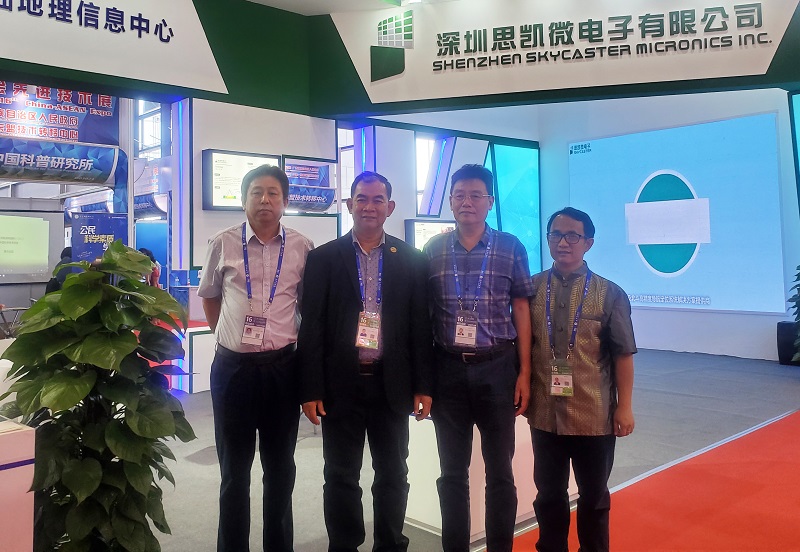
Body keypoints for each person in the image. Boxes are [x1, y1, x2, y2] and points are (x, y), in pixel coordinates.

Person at [297, 171, 434, 552]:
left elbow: (420, 327)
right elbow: (312, 327)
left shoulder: (412, 259)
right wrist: (310, 389)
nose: (369, 206)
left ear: (390, 207)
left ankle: (390, 544)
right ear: (349, 205)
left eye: (377, 200)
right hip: (340, 384)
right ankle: (344, 545)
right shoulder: (323, 258)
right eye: (361, 198)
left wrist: (423, 386)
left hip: (392, 384)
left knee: (393, 473)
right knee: (341, 475)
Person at [197, 164, 314, 552]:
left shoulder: (303, 247)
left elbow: (306, 305)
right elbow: (210, 296)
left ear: (285, 201)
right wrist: (229, 337)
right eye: (256, 192)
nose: (265, 199)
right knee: (234, 471)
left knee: (280, 469)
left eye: (273, 193)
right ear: (244, 199)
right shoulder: (222, 242)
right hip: (234, 371)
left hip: (283, 369)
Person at [423, 164, 534, 552]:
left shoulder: (510, 247)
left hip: (498, 368)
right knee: (452, 474)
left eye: (475, 195)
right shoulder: (433, 250)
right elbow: (425, 315)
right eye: (459, 195)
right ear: (450, 202)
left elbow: (522, 309)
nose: (466, 202)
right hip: (447, 370)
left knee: (500, 472)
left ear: (489, 201)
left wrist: (525, 372)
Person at [526, 207, 636, 552]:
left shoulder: (610, 293)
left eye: (572, 236)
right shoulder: (531, 288)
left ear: (588, 242)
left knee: (594, 496)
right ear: (548, 240)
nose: (563, 242)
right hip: (545, 413)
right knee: (548, 494)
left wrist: (624, 407)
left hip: (594, 414)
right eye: (556, 235)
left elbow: (623, 355)